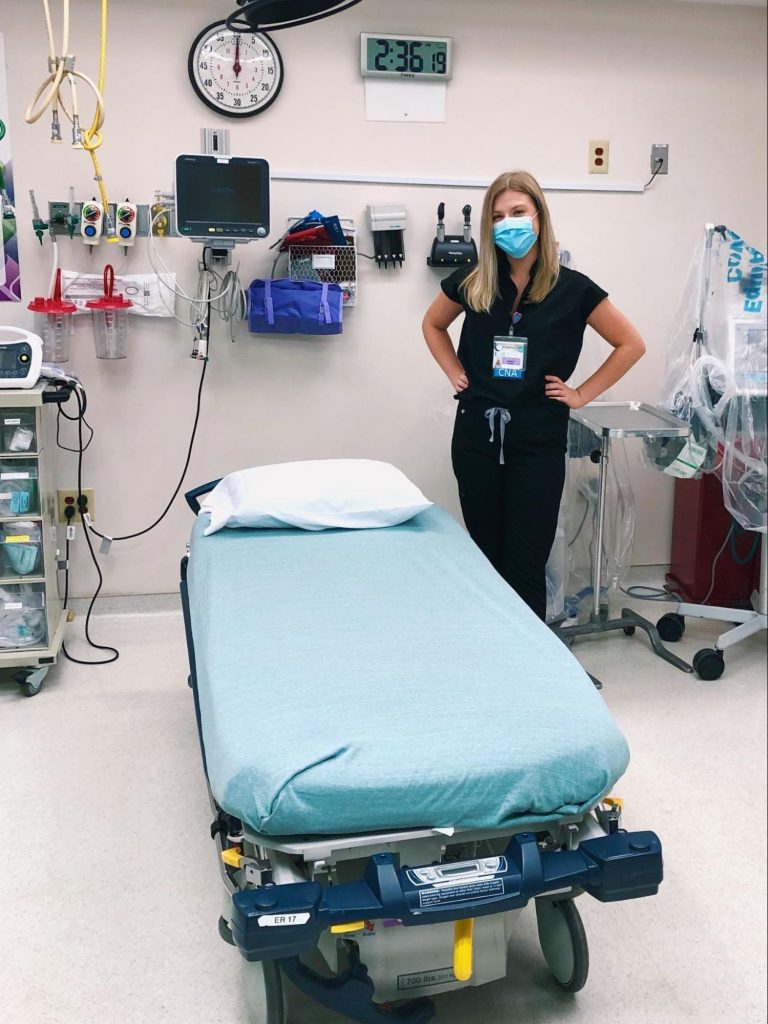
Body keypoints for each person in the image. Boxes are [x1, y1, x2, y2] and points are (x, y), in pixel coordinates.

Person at [422, 170, 646, 621]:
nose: (509, 223)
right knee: (485, 557)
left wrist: (581, 394)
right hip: (476, 438)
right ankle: (489, 650)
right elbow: (432, 325)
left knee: (526, 563)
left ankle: (528, 666)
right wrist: (454, 372)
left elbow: (631, 345)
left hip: (537, 442)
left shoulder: (574, 289)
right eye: (499, 216)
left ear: (540, 218)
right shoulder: (475, 281)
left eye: (519, 212)